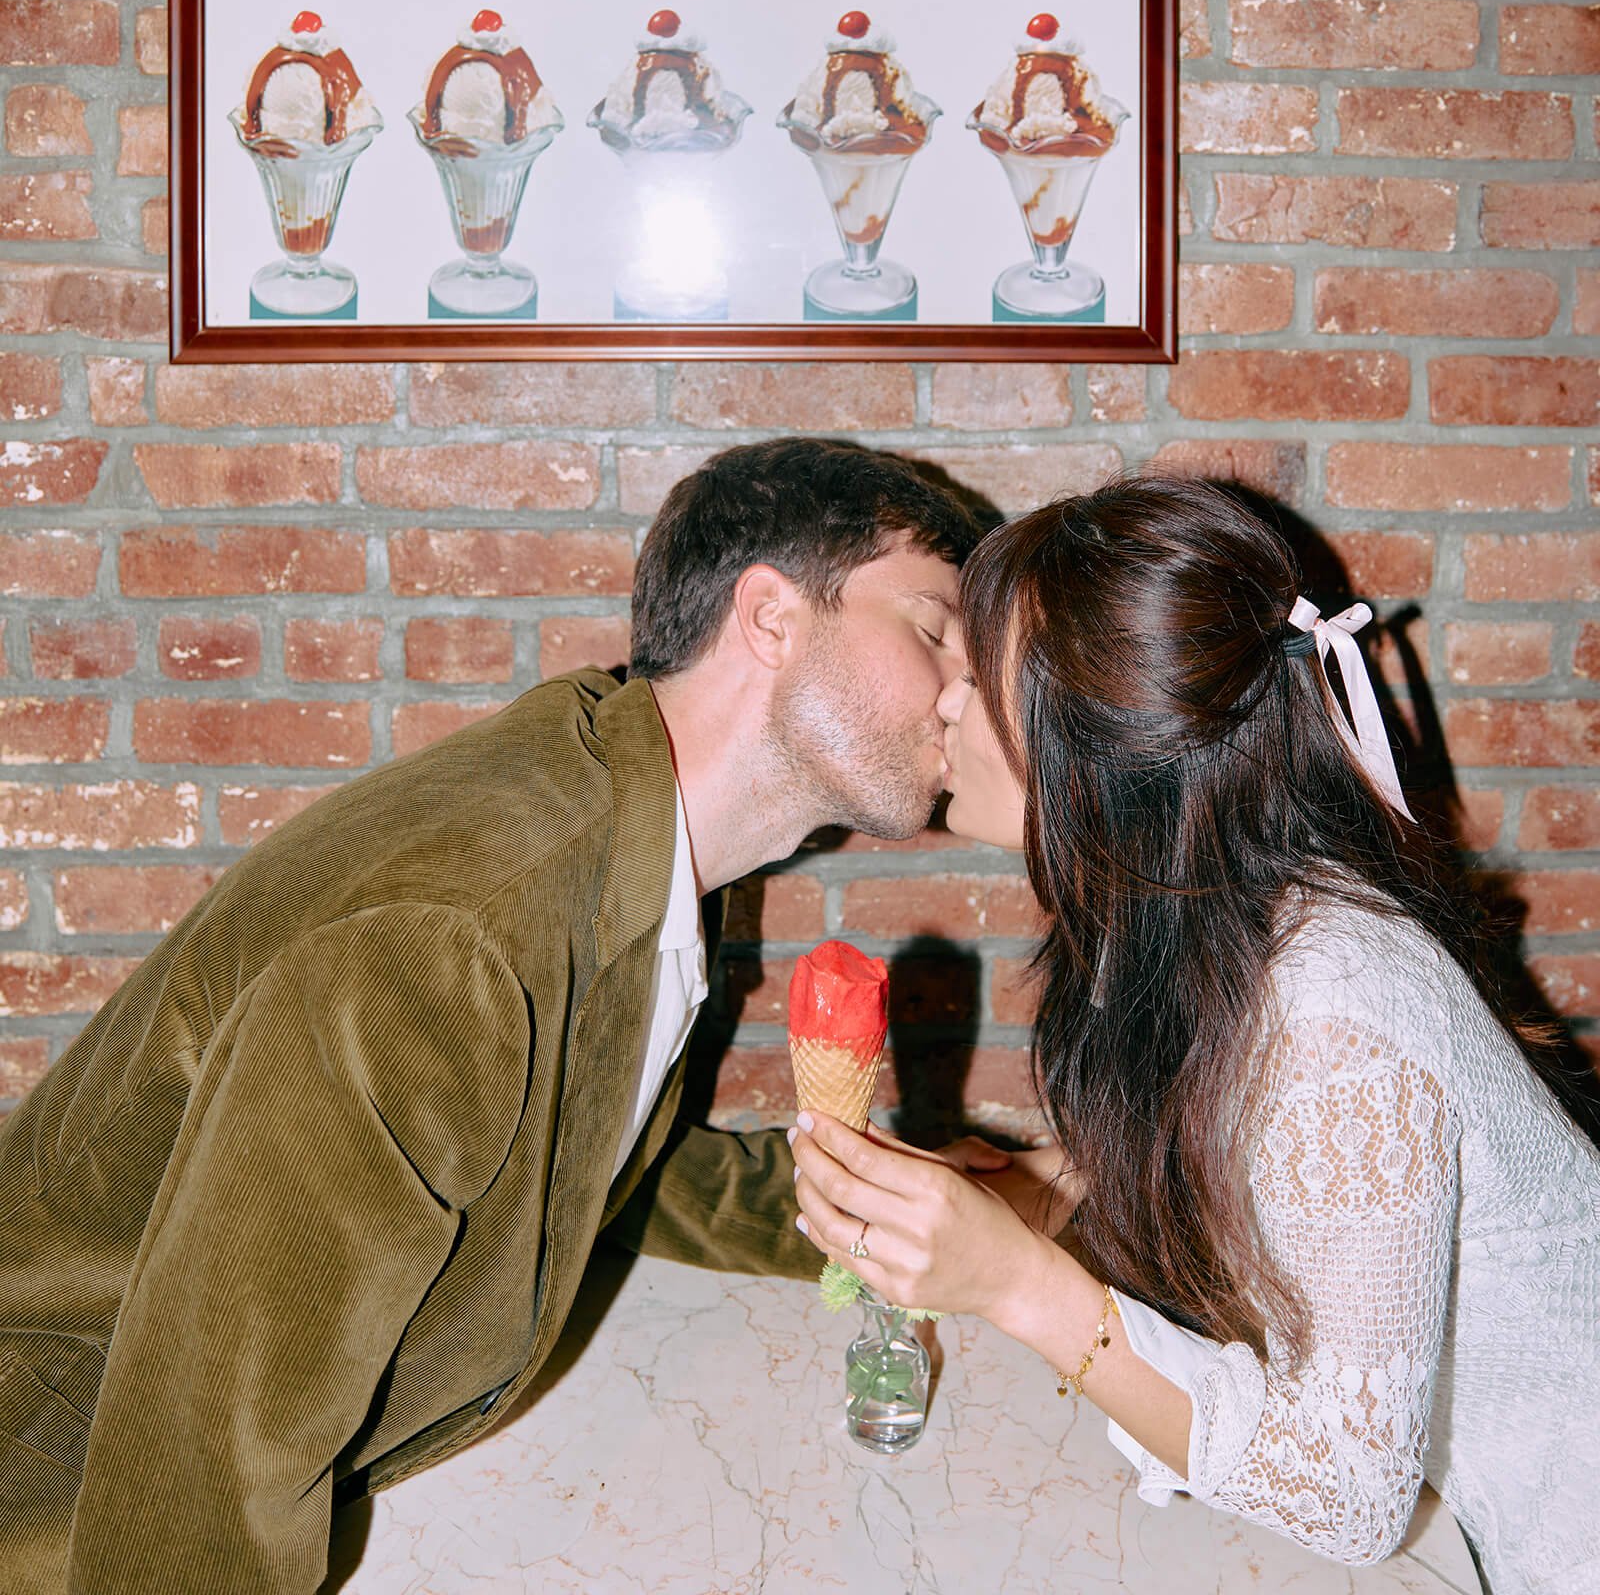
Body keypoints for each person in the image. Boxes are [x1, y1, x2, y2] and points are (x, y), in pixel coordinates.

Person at [0, 436, 979, 1595]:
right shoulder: (462, 934)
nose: (961, 690)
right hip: (61, 1490)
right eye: (932, 628)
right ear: (769, 617)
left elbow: (578, 1144)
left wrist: (900, 1209)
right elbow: (208, 1446)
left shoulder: (623, 830)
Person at [792, 474, 1600, 1594]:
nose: (942, 705)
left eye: (978, 683)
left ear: (1103, 757)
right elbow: (1251, 1161)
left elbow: (1351, 1494)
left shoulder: (1335, 1011)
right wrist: (1023, 1194)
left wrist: (1018, 1282)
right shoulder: (1215, 911)